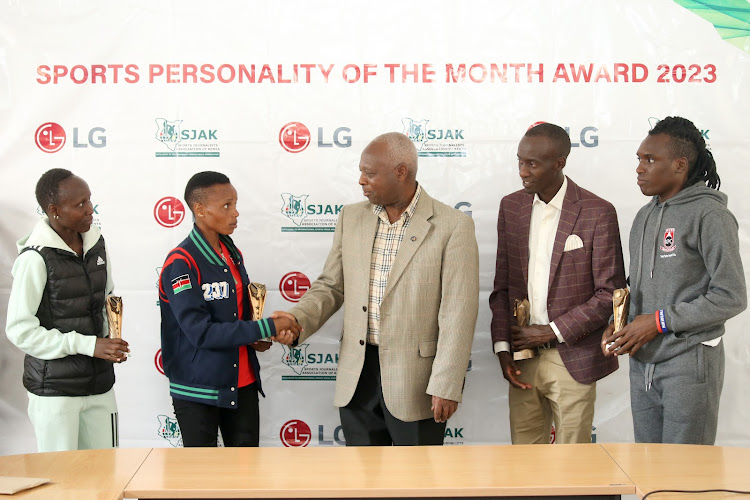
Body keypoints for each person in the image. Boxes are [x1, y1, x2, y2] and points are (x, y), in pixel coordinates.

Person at [272, 132, 479, 446]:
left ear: (401, 172)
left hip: (417, 381)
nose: (361, 181)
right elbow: (330, 286)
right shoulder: (351, 218)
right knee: (364, 485)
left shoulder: (452, 226)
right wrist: (296, 321)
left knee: (418, 483)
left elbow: (458, 313)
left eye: (369, 173)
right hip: (358, 375)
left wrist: (447, 383)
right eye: (360, 172)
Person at [602, 116, 746, 445]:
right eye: (639, 159)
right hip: (643, 363)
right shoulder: (643, 216)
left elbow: (732, 295)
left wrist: (659, 321)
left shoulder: (710, 215)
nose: (640, 168)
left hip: (690, 360)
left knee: (685, 477)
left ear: (680, 165)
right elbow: (636, 284)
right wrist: (617, 322)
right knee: (650, 471)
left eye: (650, 160)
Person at [489, 122, 626, 444]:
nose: (523, 171)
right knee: (524, 466)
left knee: (573, 468)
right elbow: (502, 288)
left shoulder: (597, 212)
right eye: (520, 161)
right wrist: (503, 347)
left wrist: (550, 332)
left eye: (532, 163)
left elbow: (610, 293)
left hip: (574, 356)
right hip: (523, 358)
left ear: (559, 163)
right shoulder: (511, 207)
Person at [158, 171, 300, 447]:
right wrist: (268, 327)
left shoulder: (232, 252)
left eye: (235, 204)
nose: (235, 213)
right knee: (203, 482)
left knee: (246, 478)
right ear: (199, 209)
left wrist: (257, 337)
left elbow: (238, 317)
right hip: (197, 390)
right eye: (226, 205)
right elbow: (200, 333)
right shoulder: (181, 263)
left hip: (242, 383)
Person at [5, 168, 130, 452]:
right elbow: (20, 331)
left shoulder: (96, 243)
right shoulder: (35, 258)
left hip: (100, 385)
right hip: (55, 392)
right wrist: (88, 345)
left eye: (90, 201)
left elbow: (106, 298)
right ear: (54, 210)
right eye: (80, 204)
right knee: (61, 484)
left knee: (107, 478)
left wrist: (111, 339)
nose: (90, 210)